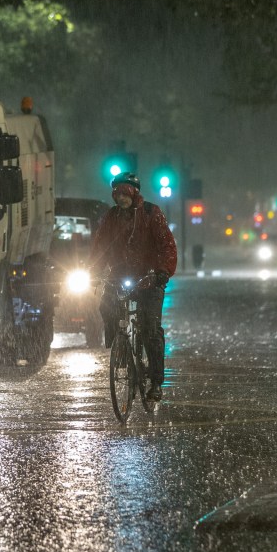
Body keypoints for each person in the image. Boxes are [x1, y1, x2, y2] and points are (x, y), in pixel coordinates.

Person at [90, 171, 178, 401]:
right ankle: (119, 347)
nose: (121, 199)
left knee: (150, 328)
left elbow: (167, 245)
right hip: (121, 274)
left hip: (149, 278)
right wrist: (94, 272)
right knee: (106, 306)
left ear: (134, 193)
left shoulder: (151, 213)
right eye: (117, 194)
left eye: (125, 194)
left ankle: (156, 382)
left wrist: (162, 272)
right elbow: (100, 248)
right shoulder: (112, 217)